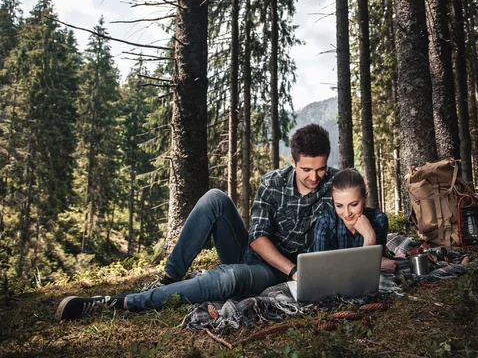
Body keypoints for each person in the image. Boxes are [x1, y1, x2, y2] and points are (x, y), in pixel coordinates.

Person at [56, 123, 338, 320]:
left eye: (321, 169)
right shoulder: (273, 182)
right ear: (292, 161)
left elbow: (357, 223)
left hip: (274, 277)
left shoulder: (338, 183)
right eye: (306, 170)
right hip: (265, 260)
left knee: (230, 276)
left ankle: (121, 302)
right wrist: (292, 271)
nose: (314, 177)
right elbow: (257, 237)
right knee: (214, 198)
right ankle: (167, 280)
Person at [312, 168, 399, 272]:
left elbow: (371, 270)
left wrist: (369, 237)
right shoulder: (325, 223)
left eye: (353, 204)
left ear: (364, 198)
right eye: (339, 206)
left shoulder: (379, 220)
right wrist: (374, 264)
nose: (347, 213)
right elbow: (320, 269)